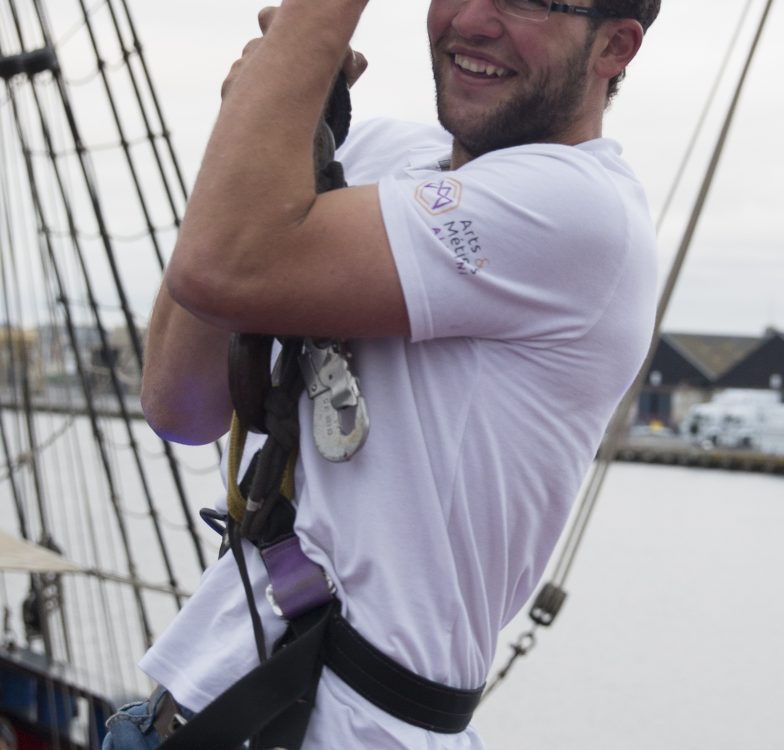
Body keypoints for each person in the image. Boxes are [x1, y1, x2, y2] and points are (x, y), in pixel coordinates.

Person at [130, 1, 657, 747]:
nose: (472, 19)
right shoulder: (378, 155)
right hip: (194, 710)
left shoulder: (578, 210)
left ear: (615, 47)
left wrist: (295, 53)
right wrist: (260, 114)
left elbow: (225, 267)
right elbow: (181, 404)